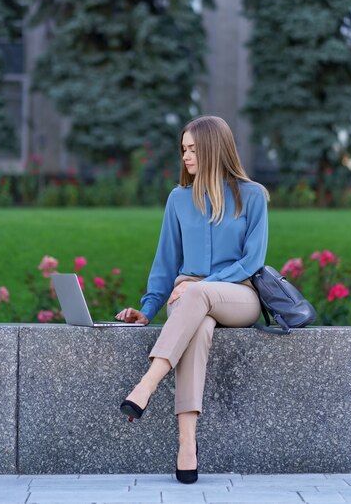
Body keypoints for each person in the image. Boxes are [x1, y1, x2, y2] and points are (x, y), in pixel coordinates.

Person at [115, 115, 269, 484]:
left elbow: (253, 260)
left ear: (215, 149)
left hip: (239, 294)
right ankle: (187, 447)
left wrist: (203, 284)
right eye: (183, 149)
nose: (185, 156)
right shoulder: (178, 199)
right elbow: (165, 263)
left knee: (196, 293)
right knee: (197, 330)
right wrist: (148, 309)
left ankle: (146, 385)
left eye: (193, 149)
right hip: (186, 299)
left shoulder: (252, 195)